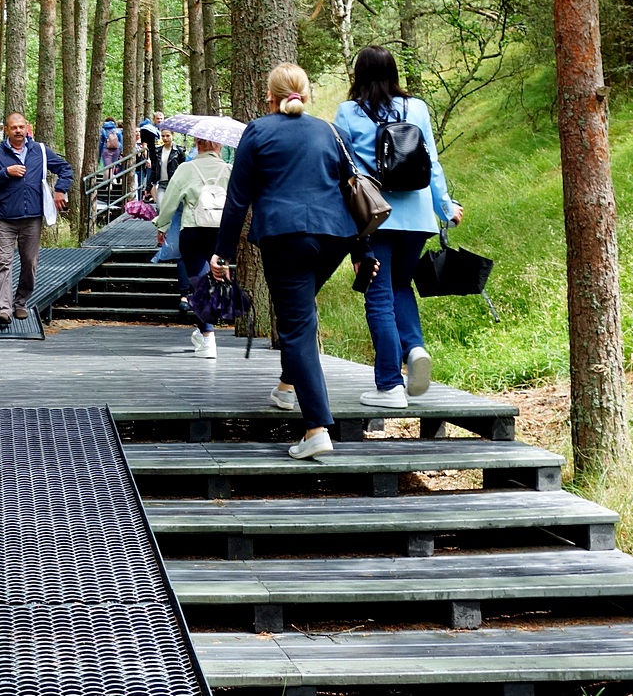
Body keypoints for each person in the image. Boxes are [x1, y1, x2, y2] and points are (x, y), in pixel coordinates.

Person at [210, 62, 377, 460]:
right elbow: (353, 190)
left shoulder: (258, 131)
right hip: (335, 238)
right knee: (298, 314)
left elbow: (237, 199)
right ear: (306, 93)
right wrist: (362, 251)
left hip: (285, 238)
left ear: (269, 96)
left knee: (297, 323)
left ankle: (316, 428)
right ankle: (287, 386)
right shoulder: (330, 131)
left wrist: (223, 253)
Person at [334, 46, 463, 408]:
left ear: (358, 75)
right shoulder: (416, 108)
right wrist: (445, 207)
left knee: (378, 296)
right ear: (393, 73)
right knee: (400, 285)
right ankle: (415, 348)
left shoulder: (348, 112)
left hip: (375, 216)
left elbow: (344, 169)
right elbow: (431, 163)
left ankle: (389, 385)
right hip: (417, 217)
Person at [0, 113, 75, 328]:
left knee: (29, 262)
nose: (18, 130)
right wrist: (6, 172)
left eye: (21, 126)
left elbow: (65, 168)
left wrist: (60, 190)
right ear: (6, 129)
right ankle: (3, 309)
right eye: (13, 127)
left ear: (27, 127)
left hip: (32, 217)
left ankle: (21, 302)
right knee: (4, 262)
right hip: (5, 217)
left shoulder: (39, 150)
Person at [155, 136, 230, 358]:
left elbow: (170, 200)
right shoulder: (229, 170)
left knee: (199, 283)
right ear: (220, 146)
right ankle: (207, 328)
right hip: (221, 235)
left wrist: (162, 226)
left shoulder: (186, 169)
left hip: (193, 231)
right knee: (216, 282)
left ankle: (207, 337)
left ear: (198, 144)